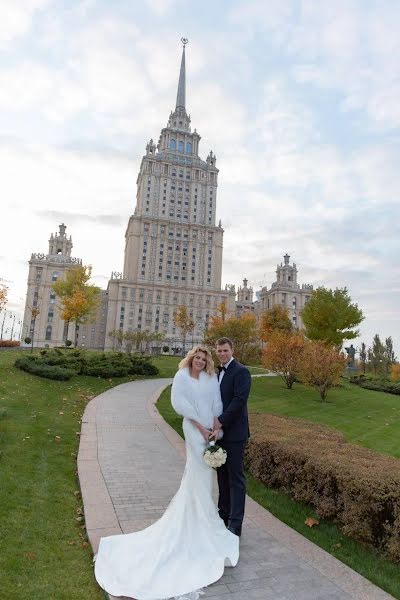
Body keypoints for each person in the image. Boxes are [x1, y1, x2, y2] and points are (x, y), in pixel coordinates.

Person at [94, 345, 239, 600]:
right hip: (194, 431)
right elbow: (181, 406)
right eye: (198, 357)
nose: (200, 362)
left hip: (210, 432)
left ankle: (203, 519)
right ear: (191, 358)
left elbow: (217, 405)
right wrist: (202, 430)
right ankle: (197, 523)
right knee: (198, 472)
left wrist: (216, 428)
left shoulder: (210, 378)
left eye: (204, 359)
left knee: (206, 479)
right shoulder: (181, 376)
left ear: (208, 362)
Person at [212, 337, 252, 538]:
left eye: (225, 350)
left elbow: (239, 400)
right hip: (219, 436)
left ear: (232, 350)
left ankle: (235, 523)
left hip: (235, 434)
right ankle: (223, 515)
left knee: (236, 479)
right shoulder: (217, 372)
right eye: (219, 351)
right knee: (222, 477)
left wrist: (220, 421)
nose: (222, 354)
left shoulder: (241, 371)